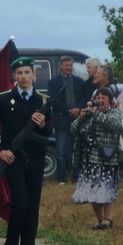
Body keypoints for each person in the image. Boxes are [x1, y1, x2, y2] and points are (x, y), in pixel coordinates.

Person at [0, 56, 52, 245]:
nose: (23, 77)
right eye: (19, 73)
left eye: (27, 72)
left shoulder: (43, 100)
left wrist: (42, 126)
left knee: (32, 210)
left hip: (35, 161)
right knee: (20, 206)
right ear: (14, 76)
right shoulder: (5, 100)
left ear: (34, 75)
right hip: (14, 161)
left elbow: (48, 133)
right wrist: (1, 151)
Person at [72, 88, 123, 229]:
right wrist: (81, 119)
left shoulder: (115, 113)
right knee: (92, 191)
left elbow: (113, 124)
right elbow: (74, 130)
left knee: (106, 189)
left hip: (106, 159)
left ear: (110, 100)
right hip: (89, 159)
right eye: (98, 97)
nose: (100, 100)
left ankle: (108, 219)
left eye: (103, 97)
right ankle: (100, 221)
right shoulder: (89, 114)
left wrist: (96, 114)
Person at [48, 55, 86, 185]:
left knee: (76, 150)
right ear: (61, 66)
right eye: (66, 65)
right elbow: (54, 101)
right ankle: (62, 178)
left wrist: (78, 109)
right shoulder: (53, 83)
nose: (69, 68)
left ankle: (76, 177)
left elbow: (83, 98)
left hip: (77, 120)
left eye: (71, 65)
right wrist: (70, 110)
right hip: (62, 120)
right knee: (61, 150)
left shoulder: (80, 82)